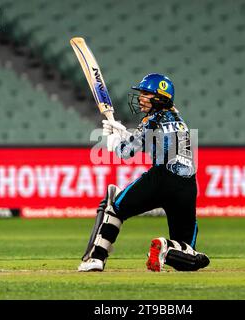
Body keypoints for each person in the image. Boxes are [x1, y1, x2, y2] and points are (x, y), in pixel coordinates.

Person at [78, 73, 209, 272]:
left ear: (160, 97)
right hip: (188, 186)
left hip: (161, 178)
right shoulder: (178, 119)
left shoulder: (152, 120)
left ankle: (95, 258)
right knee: (188, 253)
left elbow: (126, 152)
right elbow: (159, 141)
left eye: (146, 94)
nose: (140, 98)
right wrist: (124, 133)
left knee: (115, 207)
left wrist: (114, 141)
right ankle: (165, 246)